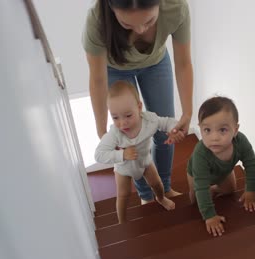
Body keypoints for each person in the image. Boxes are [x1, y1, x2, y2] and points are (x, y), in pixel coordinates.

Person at [82, 0, 193, 204]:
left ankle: (164, 188)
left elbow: (184, 62)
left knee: (165, 132)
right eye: (127, 24)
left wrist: (187, 112)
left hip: (156, 64)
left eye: (149, 21)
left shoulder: (176, 7)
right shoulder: (97, 21)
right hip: (114, 70)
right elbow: (97, 80)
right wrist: (101, 132)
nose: (140, 30)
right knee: (129, 138)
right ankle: (146, 195)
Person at [94, 80, 185, 223]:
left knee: (157, 184)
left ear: (139, 107)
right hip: (123, 167)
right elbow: (99, 154)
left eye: (128, 115)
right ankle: (121, 221)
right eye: (115, 117)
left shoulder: (149, 120)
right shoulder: (114, 134)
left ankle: (161, 198)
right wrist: (122, 155)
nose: (122, 123)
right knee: (123, 196)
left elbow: (166, 122)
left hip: (145, 161)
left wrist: (173, 130)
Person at [187, 96, 255, 237]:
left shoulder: (241, 142)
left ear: (236, 129)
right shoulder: (200, 153)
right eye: (207, 130)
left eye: (222, 130)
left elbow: (251, 164)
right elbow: (201, 186)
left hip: (224, 171)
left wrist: (251, 190)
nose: (214, 137)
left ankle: (213, 189)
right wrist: (209, 216)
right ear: (200, 128)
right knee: (195, 199)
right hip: (196, 175)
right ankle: (206, 198)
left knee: (230, 191)